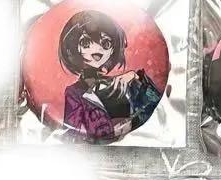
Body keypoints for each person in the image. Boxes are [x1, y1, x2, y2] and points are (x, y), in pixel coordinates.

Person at [57, 11, 162, 141]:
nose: (97, 49)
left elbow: (156, 107)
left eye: (106, 43)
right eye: (86, 43)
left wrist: (136, 78)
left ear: (113, 49)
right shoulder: (75, 92)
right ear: (74, 47)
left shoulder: (123, 83)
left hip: (137, 143)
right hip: (95, 151)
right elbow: (71, 136)